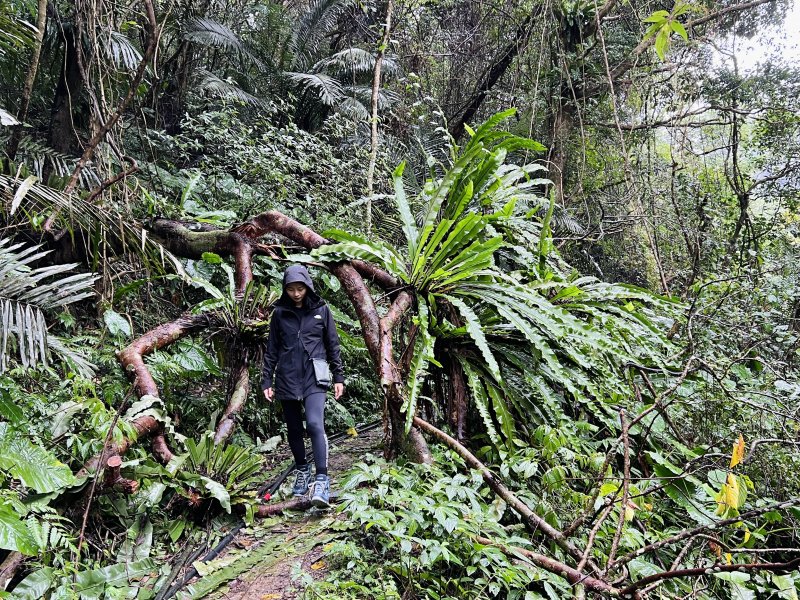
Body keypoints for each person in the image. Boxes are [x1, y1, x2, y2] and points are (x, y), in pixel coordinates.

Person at [262, 264, 345, 508]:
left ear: (307, 286)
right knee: (294, 429)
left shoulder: (321, 310)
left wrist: (339, 377)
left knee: (315, 423)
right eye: (291, 289)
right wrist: (266, 379)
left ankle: (321, 479)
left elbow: (333, 345)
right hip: (287, 376)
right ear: (285, 289)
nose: (296, 294)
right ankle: (302, 471)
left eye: (300, 289)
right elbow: (272, 349)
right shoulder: (279, 314)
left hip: (314, 375)